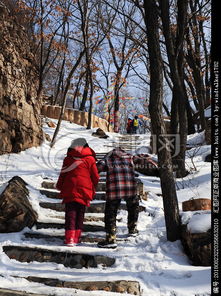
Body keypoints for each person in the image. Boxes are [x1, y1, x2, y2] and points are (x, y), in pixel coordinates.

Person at [56, 138, 99, 246]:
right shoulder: (90, 159)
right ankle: (77, 237)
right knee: (80, 213)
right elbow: (96, 177)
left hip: (70, 187)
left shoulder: (69, 158)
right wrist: (92, 186)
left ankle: (69, 238)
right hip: (84, 189)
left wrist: (59, 185)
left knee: (70, 213)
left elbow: (63, 174)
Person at [96, 147, 139, 249]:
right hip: (130, 188)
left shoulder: (108, 159)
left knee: (110, 212)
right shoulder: (129, 157)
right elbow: (139, 161)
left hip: (114, 189)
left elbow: (97, 168)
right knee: (133, 207)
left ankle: (111, 238)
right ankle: (132, 229)